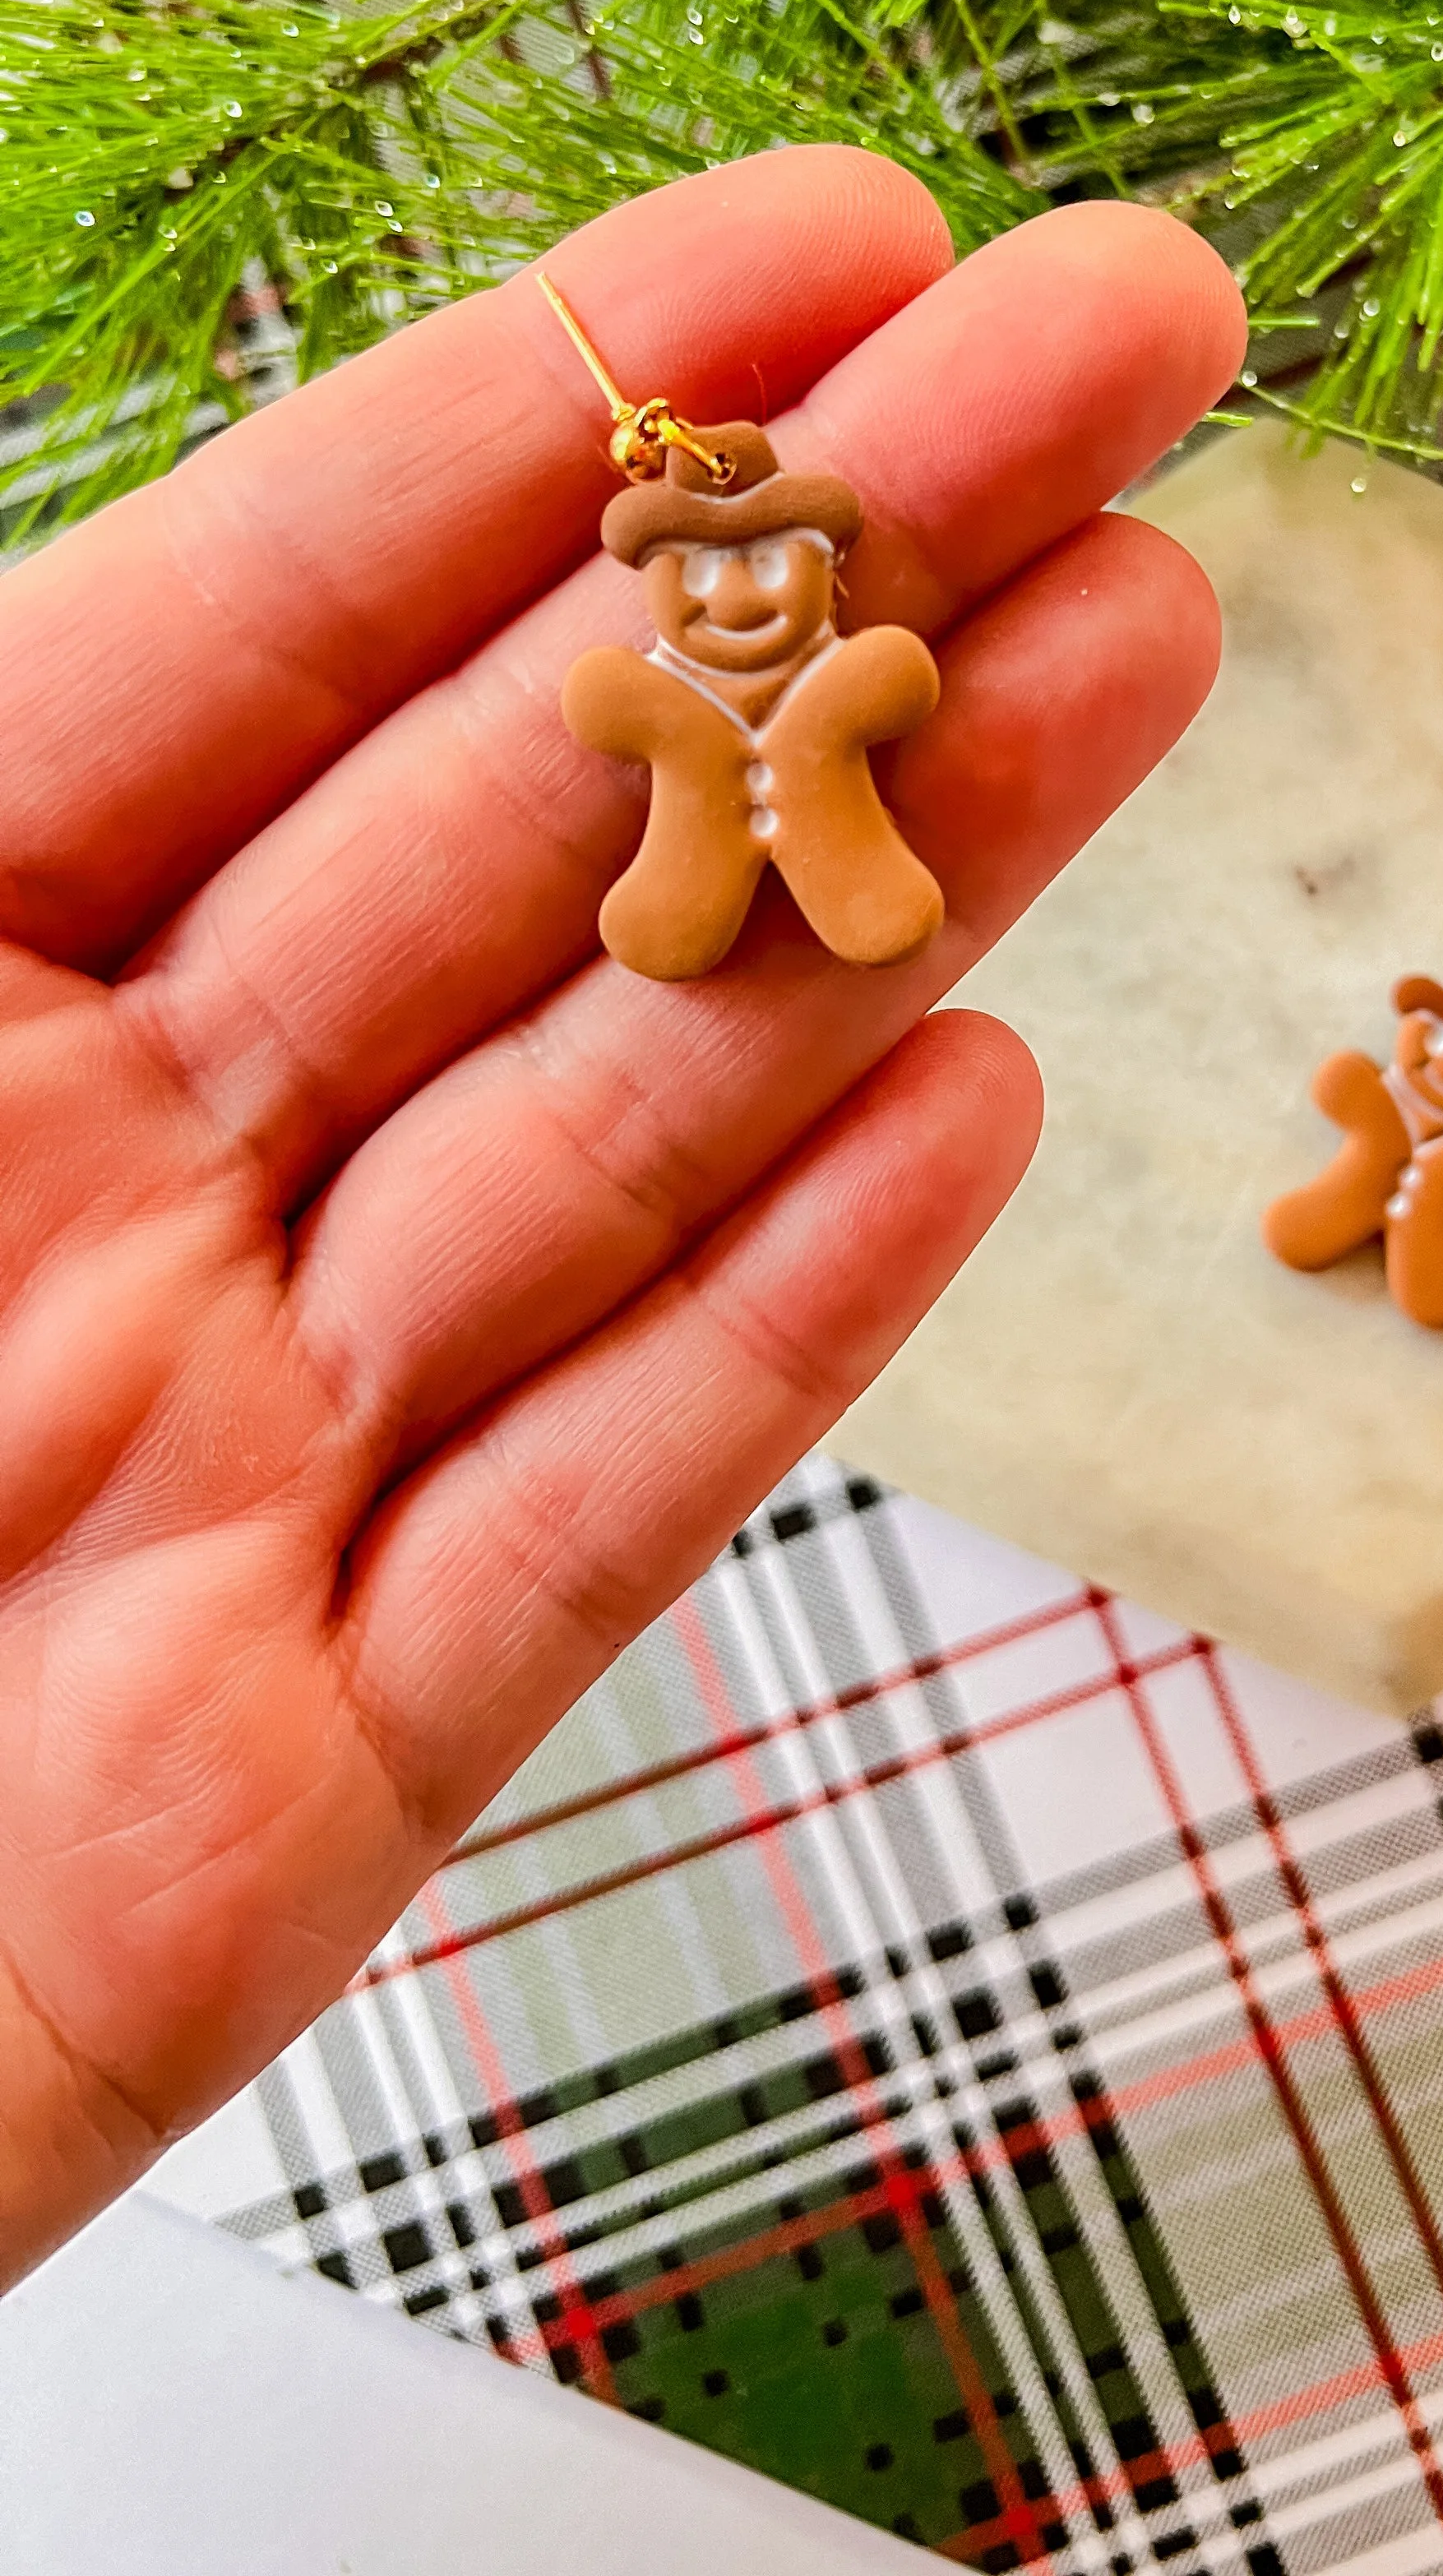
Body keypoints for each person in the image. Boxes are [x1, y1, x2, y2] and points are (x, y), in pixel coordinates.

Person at [0, 147, 1243, 2289]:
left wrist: (814, 704)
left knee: (843, 884)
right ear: (682, 574)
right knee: (698, 898)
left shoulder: (839, 660)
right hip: (697, 843)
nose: (752, 599)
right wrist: (707, 722)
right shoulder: (654, 682)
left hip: (831, 820)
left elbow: (860, 689)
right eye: (718, 581)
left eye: (769, 575)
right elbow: (615, 707)